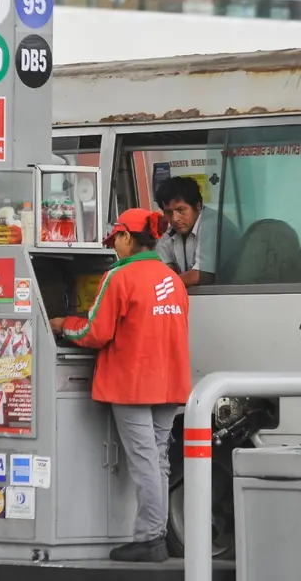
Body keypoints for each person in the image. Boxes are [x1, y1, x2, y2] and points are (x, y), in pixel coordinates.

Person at [48, 208, 191, 563]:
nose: (115, 248)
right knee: (157, 458)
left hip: (133, 383)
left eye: (116, 240)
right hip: (170, 382)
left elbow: (94, 332)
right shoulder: (172, 279)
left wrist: (62, 324)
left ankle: (150, 539)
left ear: (128, 237)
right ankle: (153, 534)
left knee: (144, 461)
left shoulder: (119, 277)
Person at [154, 176, 242, 286]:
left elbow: (203, 276)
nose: (175, 218)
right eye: (168, 212)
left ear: (198, 206)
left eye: (181, 210)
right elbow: (164, 270)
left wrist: (163, 283)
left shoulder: (212, 225)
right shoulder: (169, 232)